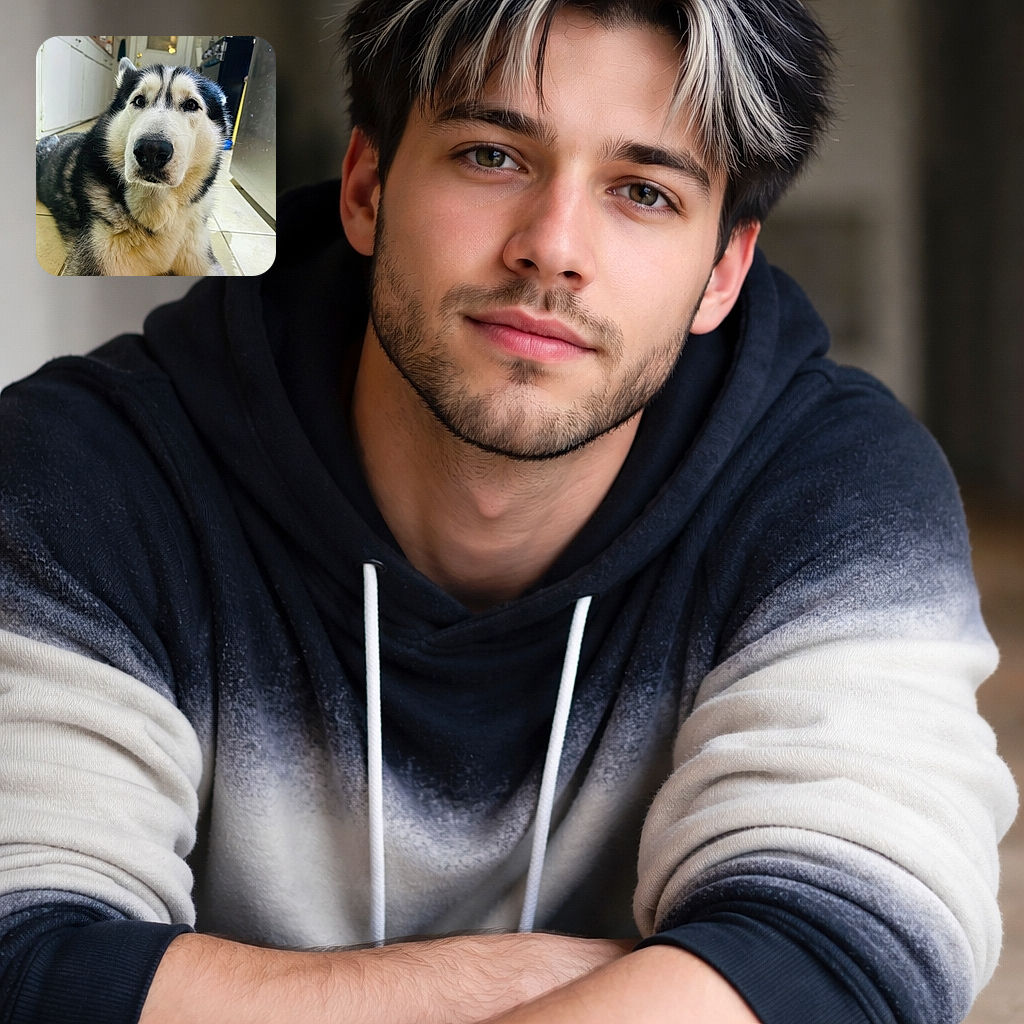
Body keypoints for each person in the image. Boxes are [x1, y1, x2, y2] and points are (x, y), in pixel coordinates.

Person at [0, 1, 1016, 1022]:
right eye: (491, 156)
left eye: (644, 192)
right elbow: (26, 961)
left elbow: (855, 948)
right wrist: (540, 982)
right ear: (367, 189)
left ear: (722, 273)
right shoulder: (86, 472)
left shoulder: (834, 493)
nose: (552, 249)